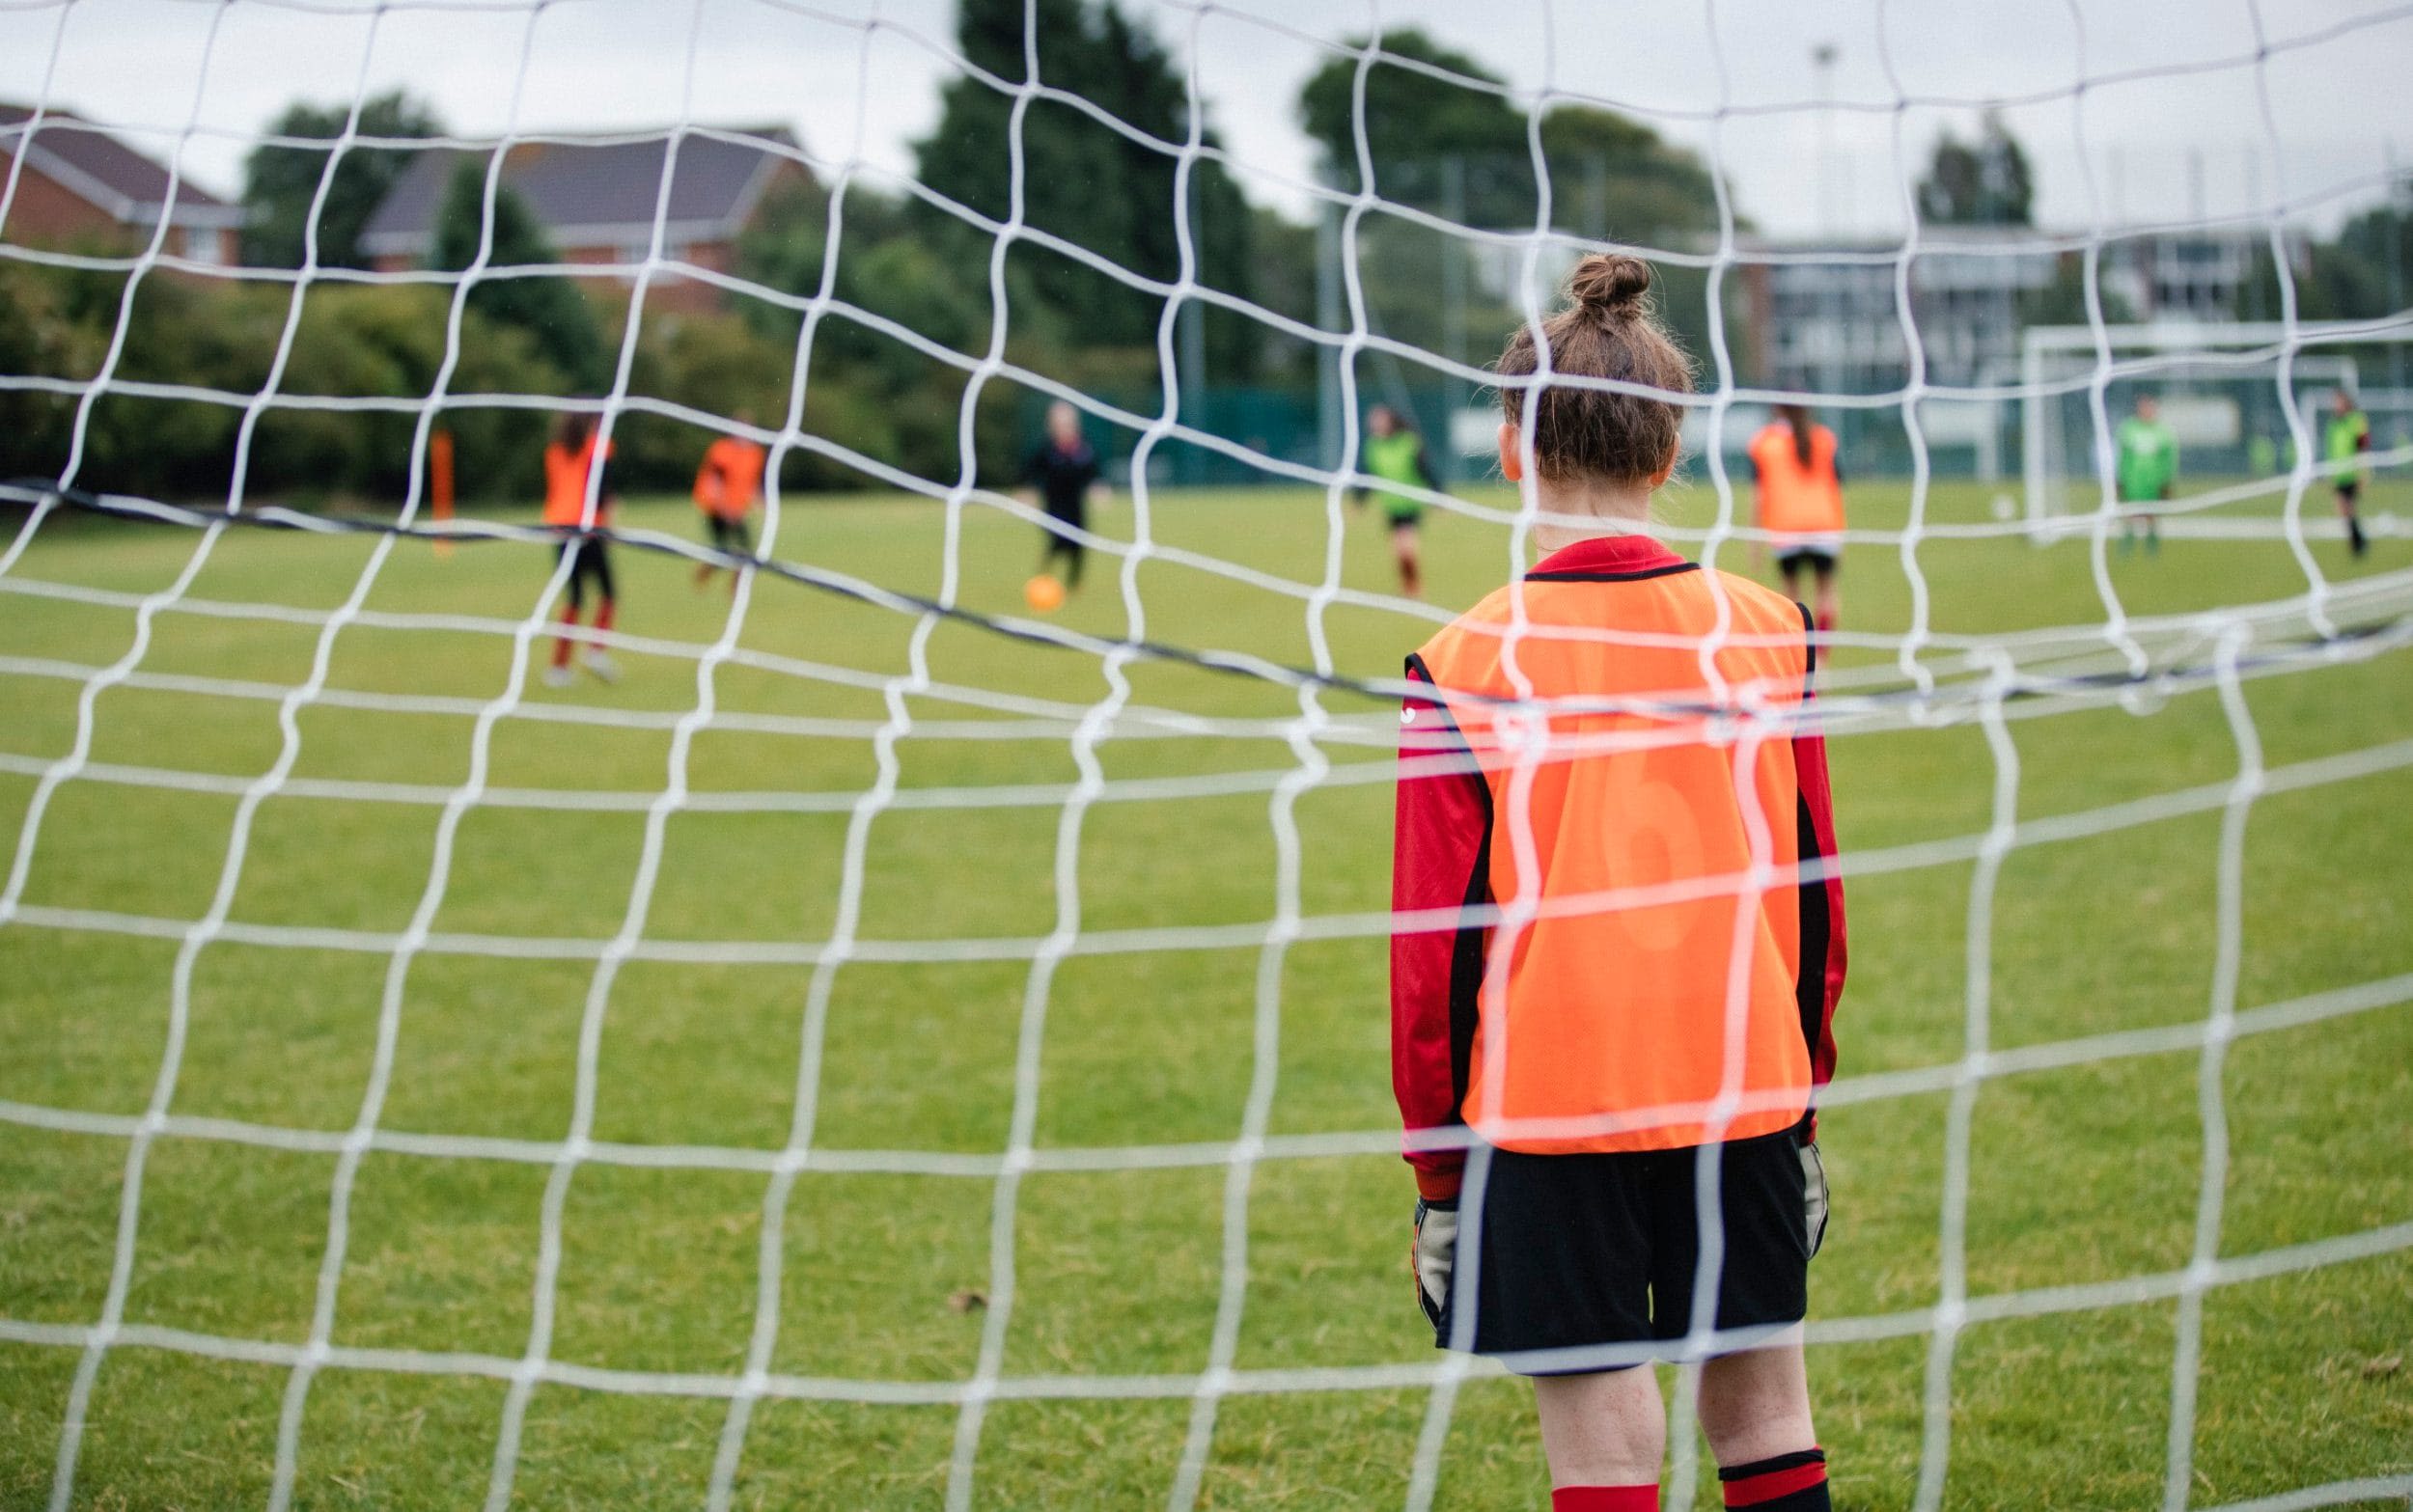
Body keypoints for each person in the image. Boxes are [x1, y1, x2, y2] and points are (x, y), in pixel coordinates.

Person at [1393, 254, 1845, 1512]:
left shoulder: (1464, 657)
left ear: (1507, 447)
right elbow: (1813, 898)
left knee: (1600, 1451)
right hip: (1744, 1075)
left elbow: (1433, 954)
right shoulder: (1770, 628)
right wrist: (1802, 1101)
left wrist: (1441, 1178)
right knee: (1767, 1408)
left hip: (1551, 1102)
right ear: (1670, 451)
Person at [1746, 405, 1845, 631]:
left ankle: (1798, 651)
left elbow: (1759, 497)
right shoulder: (1823, 438)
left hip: (1786, 529)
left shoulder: (1765, 443)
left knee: (1790, 597)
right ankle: (1820, 656)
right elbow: (1835, 487)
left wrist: (1754, 541)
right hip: (1823, 526)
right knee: (1826, 591)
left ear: (1778, 409)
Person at [541, 411, 619, 688]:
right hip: (589, 528)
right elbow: (601, 492)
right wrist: (607, 525)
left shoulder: (555, 451)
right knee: (609, 593)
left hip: (561, 529)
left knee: (573, 598)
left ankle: (559, 668)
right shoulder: (599, 448)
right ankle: (596, 651)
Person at [1356, 403, 1439, 598]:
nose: (1376, 424)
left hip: (1410, 504)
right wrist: (1359, 501)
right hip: (1391, 506)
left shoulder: (1408, 442)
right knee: (1398, 551)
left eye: (1380, 420)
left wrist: (1438, 494)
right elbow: (1369, 475)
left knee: (1406, 549)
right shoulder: (1373, 446)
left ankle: (1414, 586)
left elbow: (1425, 469)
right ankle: (1409, 585)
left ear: (1390, 421)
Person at [1021, 400, 1105, 591]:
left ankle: (1074, 584)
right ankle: (1044, 577)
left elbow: (1093, 472)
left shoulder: (1084, 448)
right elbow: (1031, 471)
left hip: (1075, 504)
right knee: (1057, 541)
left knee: (1078, 543)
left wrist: (1098, 488)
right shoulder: (1046, 449)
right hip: (1053, 504)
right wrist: (1028, 491)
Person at [692, 414, 767, 592]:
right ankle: (704, 574)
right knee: (723, 552)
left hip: (737, 510)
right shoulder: (722, 450)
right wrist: (723, 507)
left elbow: (752, 481)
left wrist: (758, 499)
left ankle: (736, 588)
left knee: (747, 550)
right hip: (717, 509)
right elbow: (714, 482)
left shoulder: (755, 454)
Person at [2114, 393, 2178, 555]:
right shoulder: (2129, 428)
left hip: (2154, 479)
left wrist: (2168, 480)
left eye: (2149, 407)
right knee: (2130, 510)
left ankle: (2152, 542)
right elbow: (2123, 455)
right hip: (2133, 478)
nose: (2146, 410)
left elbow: (2168, 458)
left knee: (2152, 511)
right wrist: (2120, 478)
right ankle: (2127, 541)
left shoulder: (2162, 431)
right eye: (2143, 407)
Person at [2325, 388, 2371, 559]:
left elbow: (2363, 446)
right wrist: (2330, 474)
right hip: (2339, 473)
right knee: (2343, 509)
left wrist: (2363, 473)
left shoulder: (2356, 421)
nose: (2335, 405)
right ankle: (2358, 541)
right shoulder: (2333, 424)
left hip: (2352, 472)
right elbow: (2332, 450)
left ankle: (2358, 544)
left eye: (2338, 401)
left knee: (2347, 508)